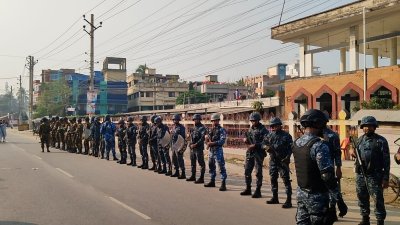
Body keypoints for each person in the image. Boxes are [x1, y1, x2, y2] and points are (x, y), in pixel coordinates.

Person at [293, 109, 338, 225]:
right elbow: (327, 176)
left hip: (301, 194)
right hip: (317, 197)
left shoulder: (297, 142)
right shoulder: (319, 145)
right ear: (318, 124)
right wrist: (337, 200)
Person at [352, 116, 390, 225]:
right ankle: (365, 219)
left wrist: (385, 178)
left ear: (374, 127)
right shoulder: (359, 140)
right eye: (365, 126)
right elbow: (355, 152)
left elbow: (386, 161)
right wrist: (352, 152)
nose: (367, 128)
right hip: (360, 174)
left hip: (375, 175)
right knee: (362, 196)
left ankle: (380, 221)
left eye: (370, 126)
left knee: (377, 199)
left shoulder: (381, 141)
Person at [264, 117, 293, 207]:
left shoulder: (286, 136)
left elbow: (291, 148)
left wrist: (288, 158)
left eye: (275, 125)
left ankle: (288, 200)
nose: (273, 127)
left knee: (286, 180)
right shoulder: (269, 135)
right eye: (272, 126)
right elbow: (263, 143)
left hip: (283, 161)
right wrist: (266, 148)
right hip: (273, 161)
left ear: (280, 126)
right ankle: (275, 198)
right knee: (273, 179)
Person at [323, 121, 348, 219]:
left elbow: (337, 153)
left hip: (329, 167)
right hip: (315, 168)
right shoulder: (314, 134)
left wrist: (338, 168)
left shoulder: (332, 135)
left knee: (332, 188)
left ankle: (332, 210)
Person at [240, 112, 268, 198]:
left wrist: (256, 145)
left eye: (254, 121)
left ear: (258, 120)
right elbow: (248, 138)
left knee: (258, 172)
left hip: (258, 153)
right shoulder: (250, 129)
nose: (253, 122)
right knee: (247, 171)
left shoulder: (263, 130)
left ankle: (258, 190)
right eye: (251, 121)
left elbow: (266, 142)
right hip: (250, 153)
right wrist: (245, 140)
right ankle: (248, 188)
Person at [204, 113, 227, 191]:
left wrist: (213, 143)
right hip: (211, 151)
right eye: (213, 121)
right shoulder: (210, 130)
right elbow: (207, 141)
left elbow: (222, 141)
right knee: (211, 165)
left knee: (221, 166)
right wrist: (206, 140)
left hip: (218, 150)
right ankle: (212, 181)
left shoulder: (221, 130)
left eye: (215, 121)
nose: (214, 122)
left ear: (218, 121)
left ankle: (223, 183)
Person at [187, 114, 207, 184]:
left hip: (198, 148)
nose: (196, 121)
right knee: (193, 163)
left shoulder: (202, 128)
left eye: (197, 119)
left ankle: (201, 178)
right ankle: (193, 176)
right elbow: (190, 138)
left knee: (201, 163)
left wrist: (195, 144)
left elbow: (202, 139)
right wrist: (190, 143)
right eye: (195, 119)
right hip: (192, 148)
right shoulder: (193, 128)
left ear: (199, 120)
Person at [170, 114, 187, 179]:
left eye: (176, 120)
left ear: (178, 120)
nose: (175, 121)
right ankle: (177, 171)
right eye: (174, 120)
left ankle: (183, 173)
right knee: (174, 159)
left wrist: (180, 147)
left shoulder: (181, 127)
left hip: (179, 145)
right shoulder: (174, 127)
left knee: (180, 159)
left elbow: (182, 138)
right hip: (174, 145)